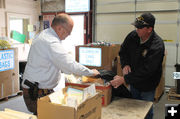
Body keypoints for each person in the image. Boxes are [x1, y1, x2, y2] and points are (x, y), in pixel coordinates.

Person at [22, 13, 99, 115]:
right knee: (46, 114)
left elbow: (58, 62)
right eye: (68, 32)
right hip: (35, 90)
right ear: (59, 28)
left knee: (51, 113)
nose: (68, 35)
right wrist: (90, 72)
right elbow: (69, 64)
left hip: (42, 88)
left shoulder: (46, 35)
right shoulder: (50, 41)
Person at [110, 12, 165, 119]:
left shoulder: (157, 46)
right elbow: (123, 52)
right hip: (134, 81)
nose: (136, 29)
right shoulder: (132, 36)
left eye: (140, 27)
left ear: (149, 29)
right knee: (134, 107)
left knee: (146, 110)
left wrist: (124, 79)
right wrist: (125, 64)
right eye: (136, 26)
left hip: (148, 84)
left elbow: (147, 71)